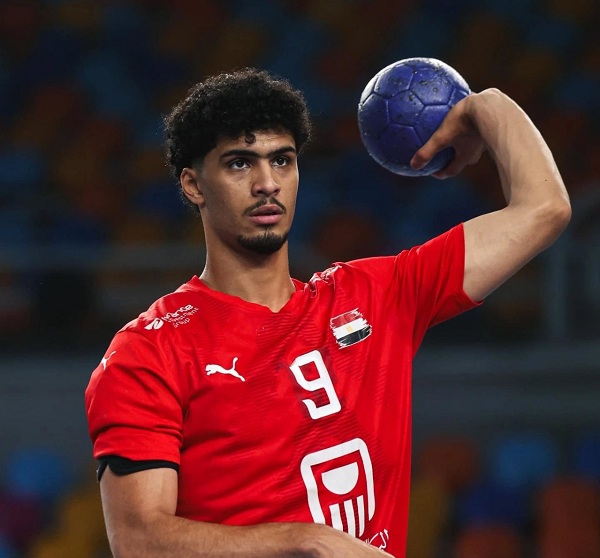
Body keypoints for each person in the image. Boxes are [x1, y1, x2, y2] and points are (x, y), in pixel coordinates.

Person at [85, 67, 571, 558]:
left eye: (282, 160)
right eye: (239, 164)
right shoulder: (149, 350)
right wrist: (307, 541)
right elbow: (139, 540)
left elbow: (544, 208)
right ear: (193, 185)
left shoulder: (378, 296)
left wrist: (486, 104)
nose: (267, 183)